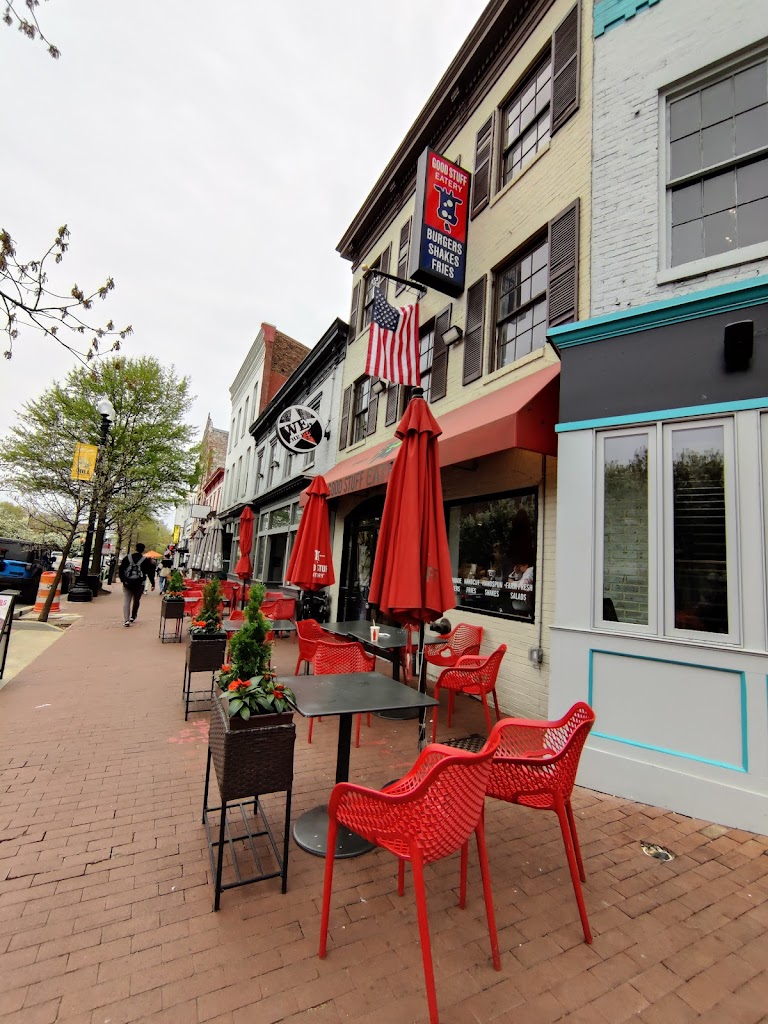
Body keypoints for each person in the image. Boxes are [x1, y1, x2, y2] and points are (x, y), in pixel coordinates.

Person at [118, 542, 155, 626]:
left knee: (126, 601)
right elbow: (150, 573)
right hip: (139, 584)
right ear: (143, 550)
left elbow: (121, 569)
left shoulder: (127, 558)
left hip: (127, 583)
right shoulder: (145, 560)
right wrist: (153, 584)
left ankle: (126, 620)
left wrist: (123, 580)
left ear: (135, 548)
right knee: (136, 600)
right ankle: (133, 616)